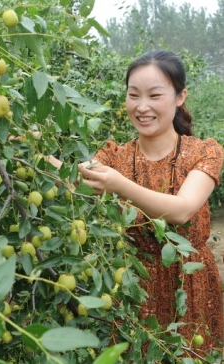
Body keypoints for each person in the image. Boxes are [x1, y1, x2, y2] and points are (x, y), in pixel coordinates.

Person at [77, 50, 224, 355]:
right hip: (134, 285)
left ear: (180, 97)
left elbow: (182, 210)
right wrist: (34, 153)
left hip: (189, 283)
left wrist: (118, 184)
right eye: (133, 95)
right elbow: (74, 178)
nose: (142, 107)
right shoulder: (113, 155)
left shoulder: (204, 152)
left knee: (190, 353)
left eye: (155, 95)